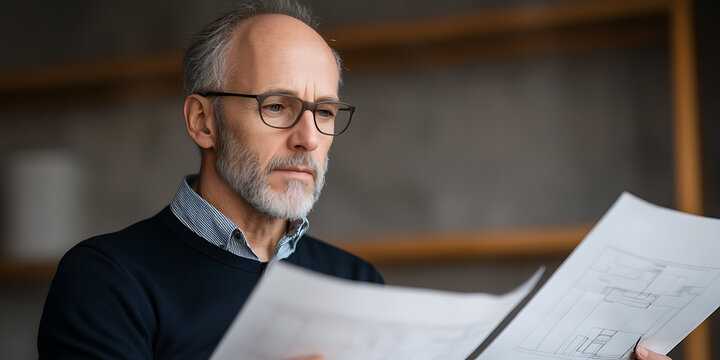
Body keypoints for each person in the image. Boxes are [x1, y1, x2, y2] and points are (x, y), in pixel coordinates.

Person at [36, 1, 673, 359]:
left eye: (323, 112)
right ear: (203, 120)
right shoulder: (106, 279)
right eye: (278, 106)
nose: (308, 137)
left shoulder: (355, 282)